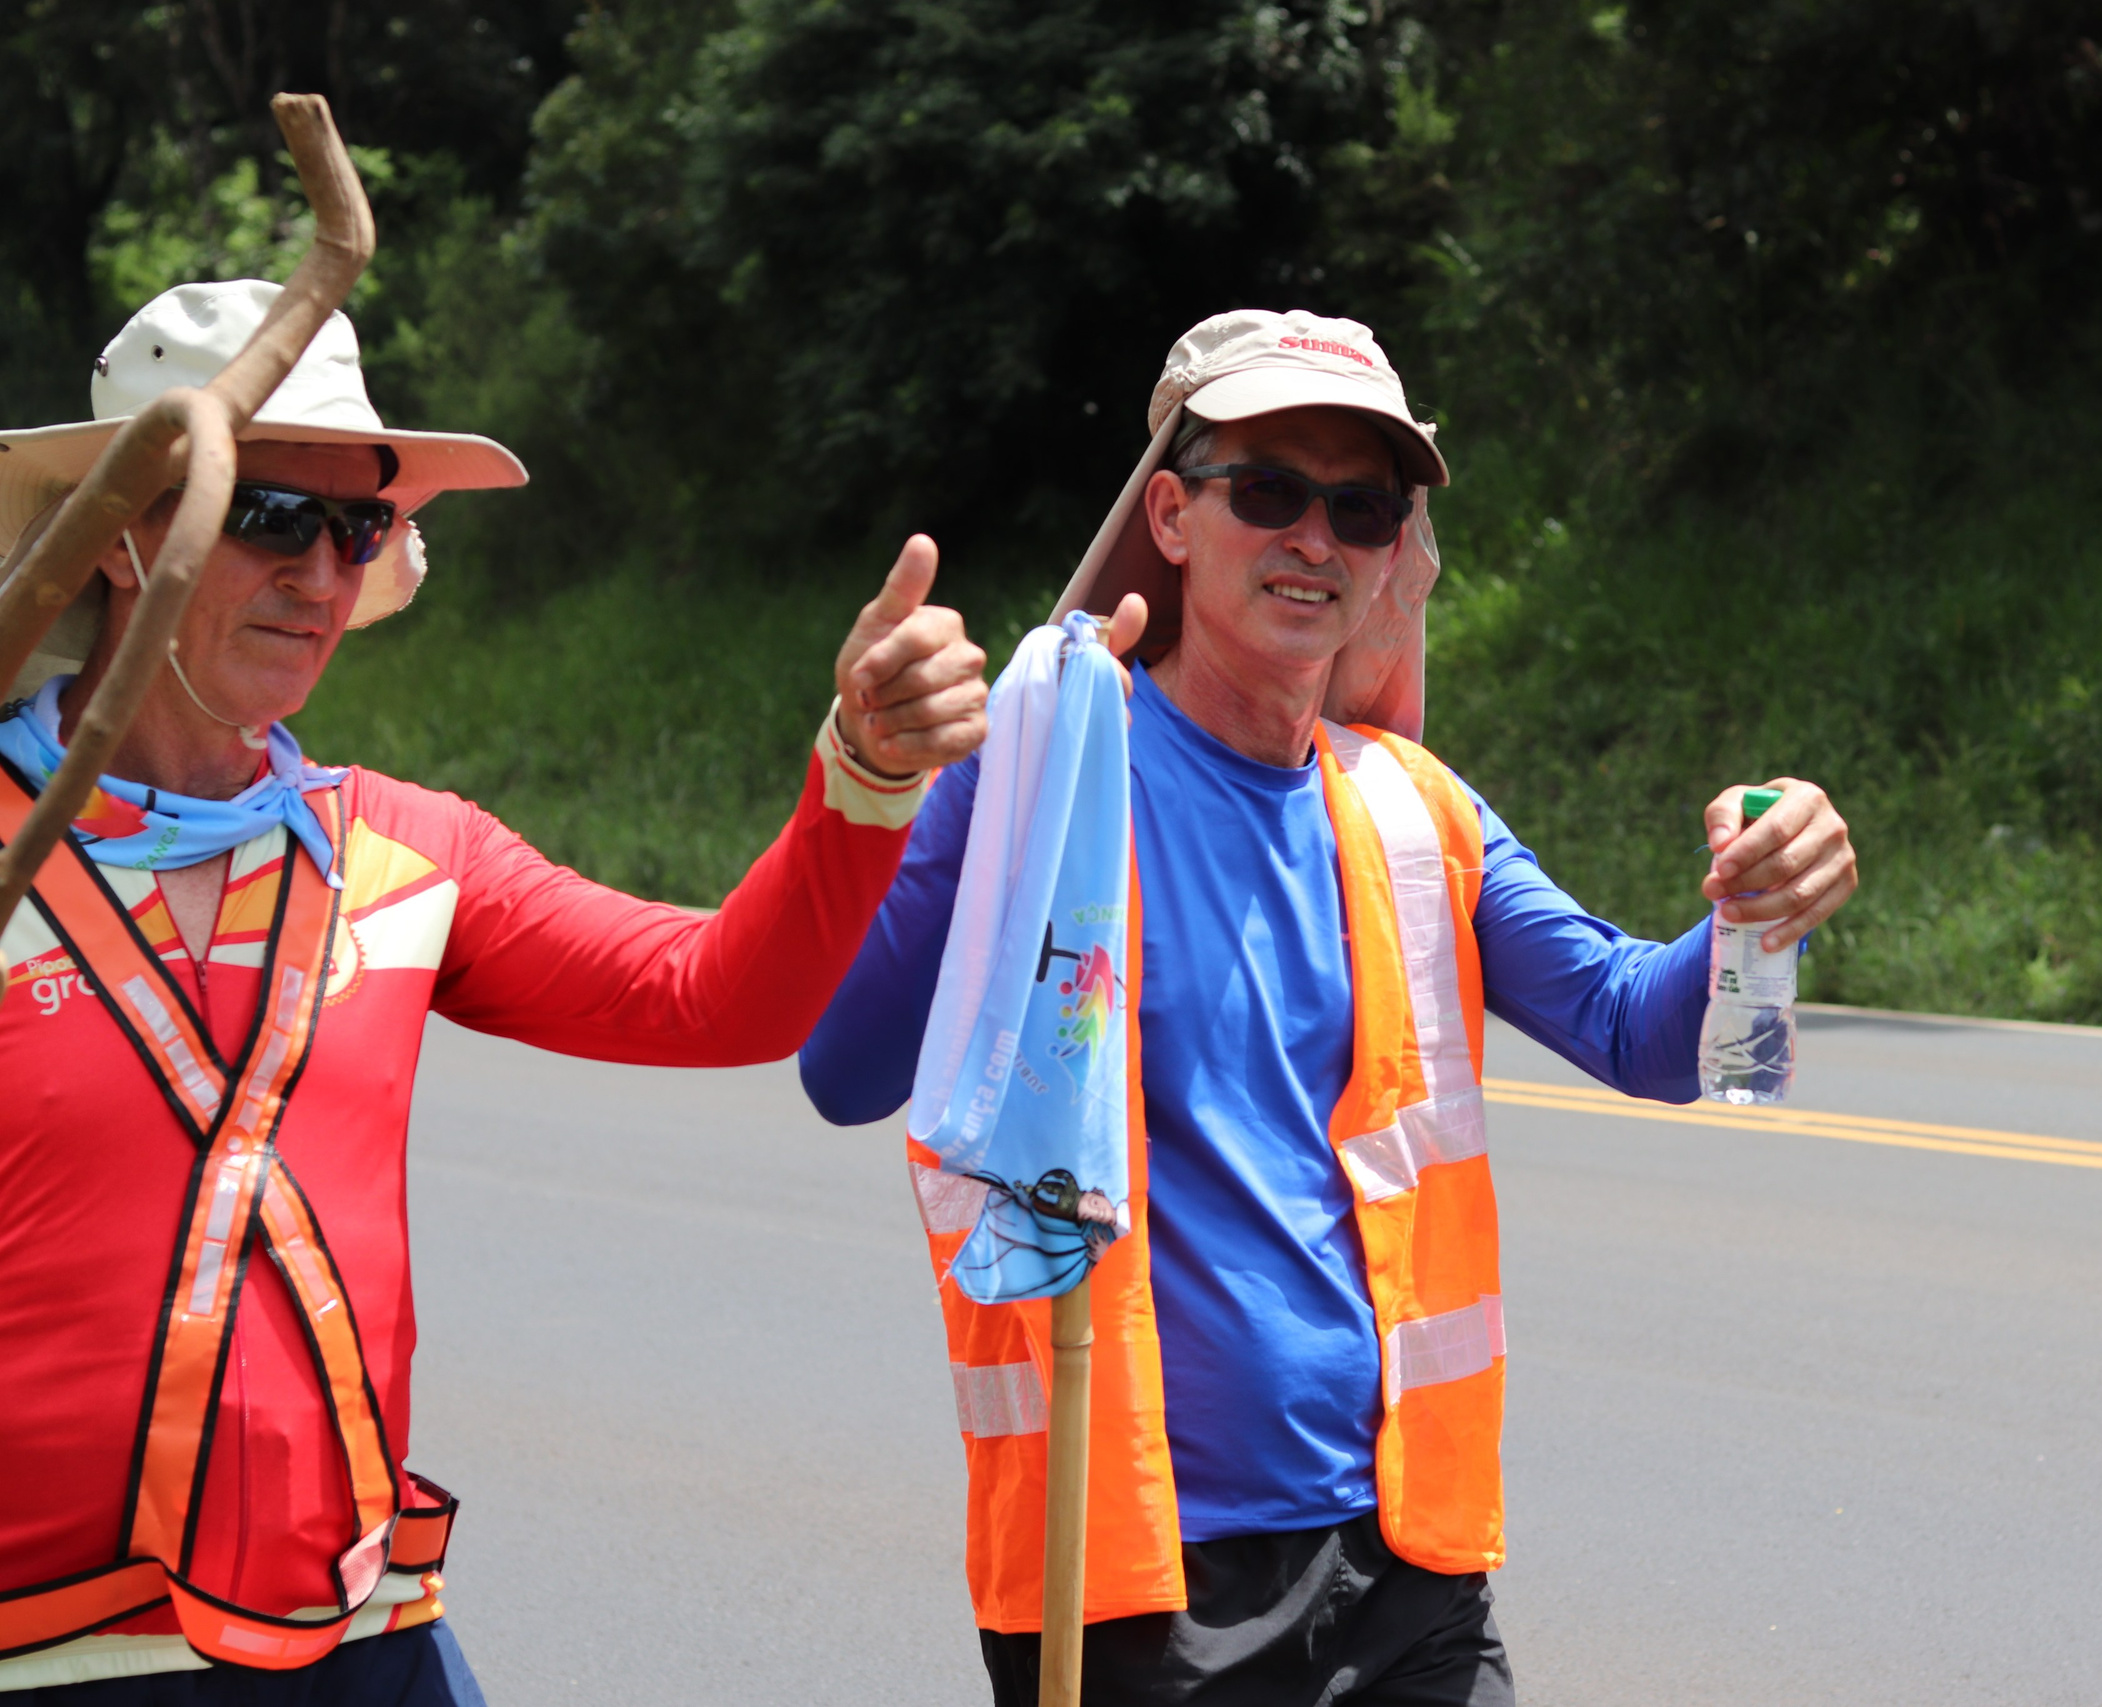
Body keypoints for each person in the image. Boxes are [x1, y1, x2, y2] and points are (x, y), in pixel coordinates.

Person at [797, 309, 1860, 1706]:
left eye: (1360, 507)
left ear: (1391, 558)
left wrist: (1753, 915)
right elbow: (845, 1068)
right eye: (1271, 490)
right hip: (1138, 1580)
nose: (1315, 538)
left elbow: (1642, 1034)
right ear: (1171, 515)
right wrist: (911, 785)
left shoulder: (1414, 811)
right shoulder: (1048, 776)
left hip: (1407, 1564)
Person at [0, 279, 988, 1700]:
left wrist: (867, 776)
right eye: (275, 515)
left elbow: (718, 1000)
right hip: (46, 1652)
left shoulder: (406, 851)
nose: (324, 578)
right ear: (122, 531)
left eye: (362, 530)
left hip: (366, 1637)